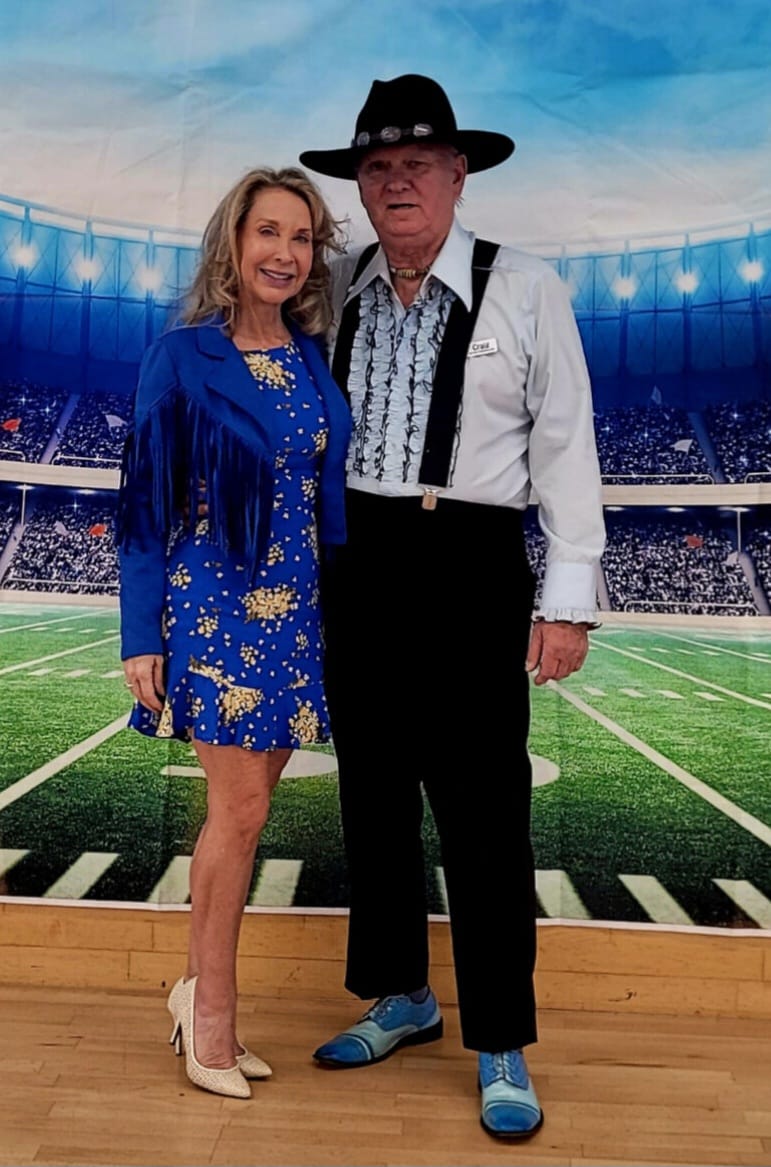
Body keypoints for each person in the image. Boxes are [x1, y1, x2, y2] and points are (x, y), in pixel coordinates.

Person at [299, 75, 605, 1139]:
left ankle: (501, 1037)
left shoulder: (524, 286)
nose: (397, 182)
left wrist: (566, 600)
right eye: (377, 167)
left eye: (417, 164)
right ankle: (403, 994)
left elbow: (565, 443)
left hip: (469, 556)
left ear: (458, 173)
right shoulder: (335, 283)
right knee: (374, 797)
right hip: (357, 557)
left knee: (483, 810)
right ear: (359, 184)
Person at [117, 166, 351, 1099]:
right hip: (211, 607)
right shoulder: (180, 357)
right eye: (268, 232)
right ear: (233, 241)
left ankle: (194, 990)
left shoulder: (310, 356)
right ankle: (211, 1012)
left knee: (245, 814)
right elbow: (145, 507)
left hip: (299, 614)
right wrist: (140, 634)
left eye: (301, 237)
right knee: (240, 810)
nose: (284, 253)